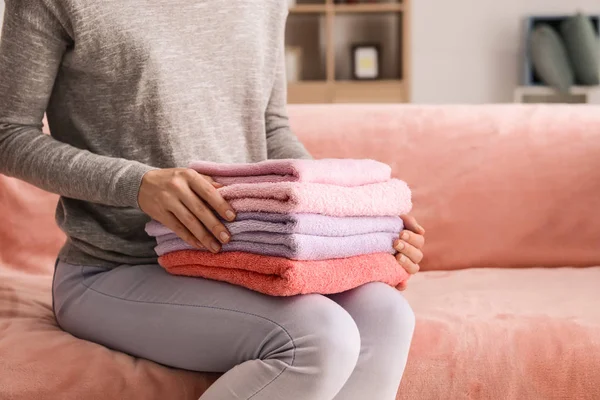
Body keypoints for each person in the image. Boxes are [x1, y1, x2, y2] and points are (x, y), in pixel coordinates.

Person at [0, 1, 425, 399]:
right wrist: (137, 184)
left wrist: (344, 219)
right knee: (320, 337)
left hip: (241, 257)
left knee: (387, 317)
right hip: (115, 266)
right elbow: (8, 132)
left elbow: (269, 127)